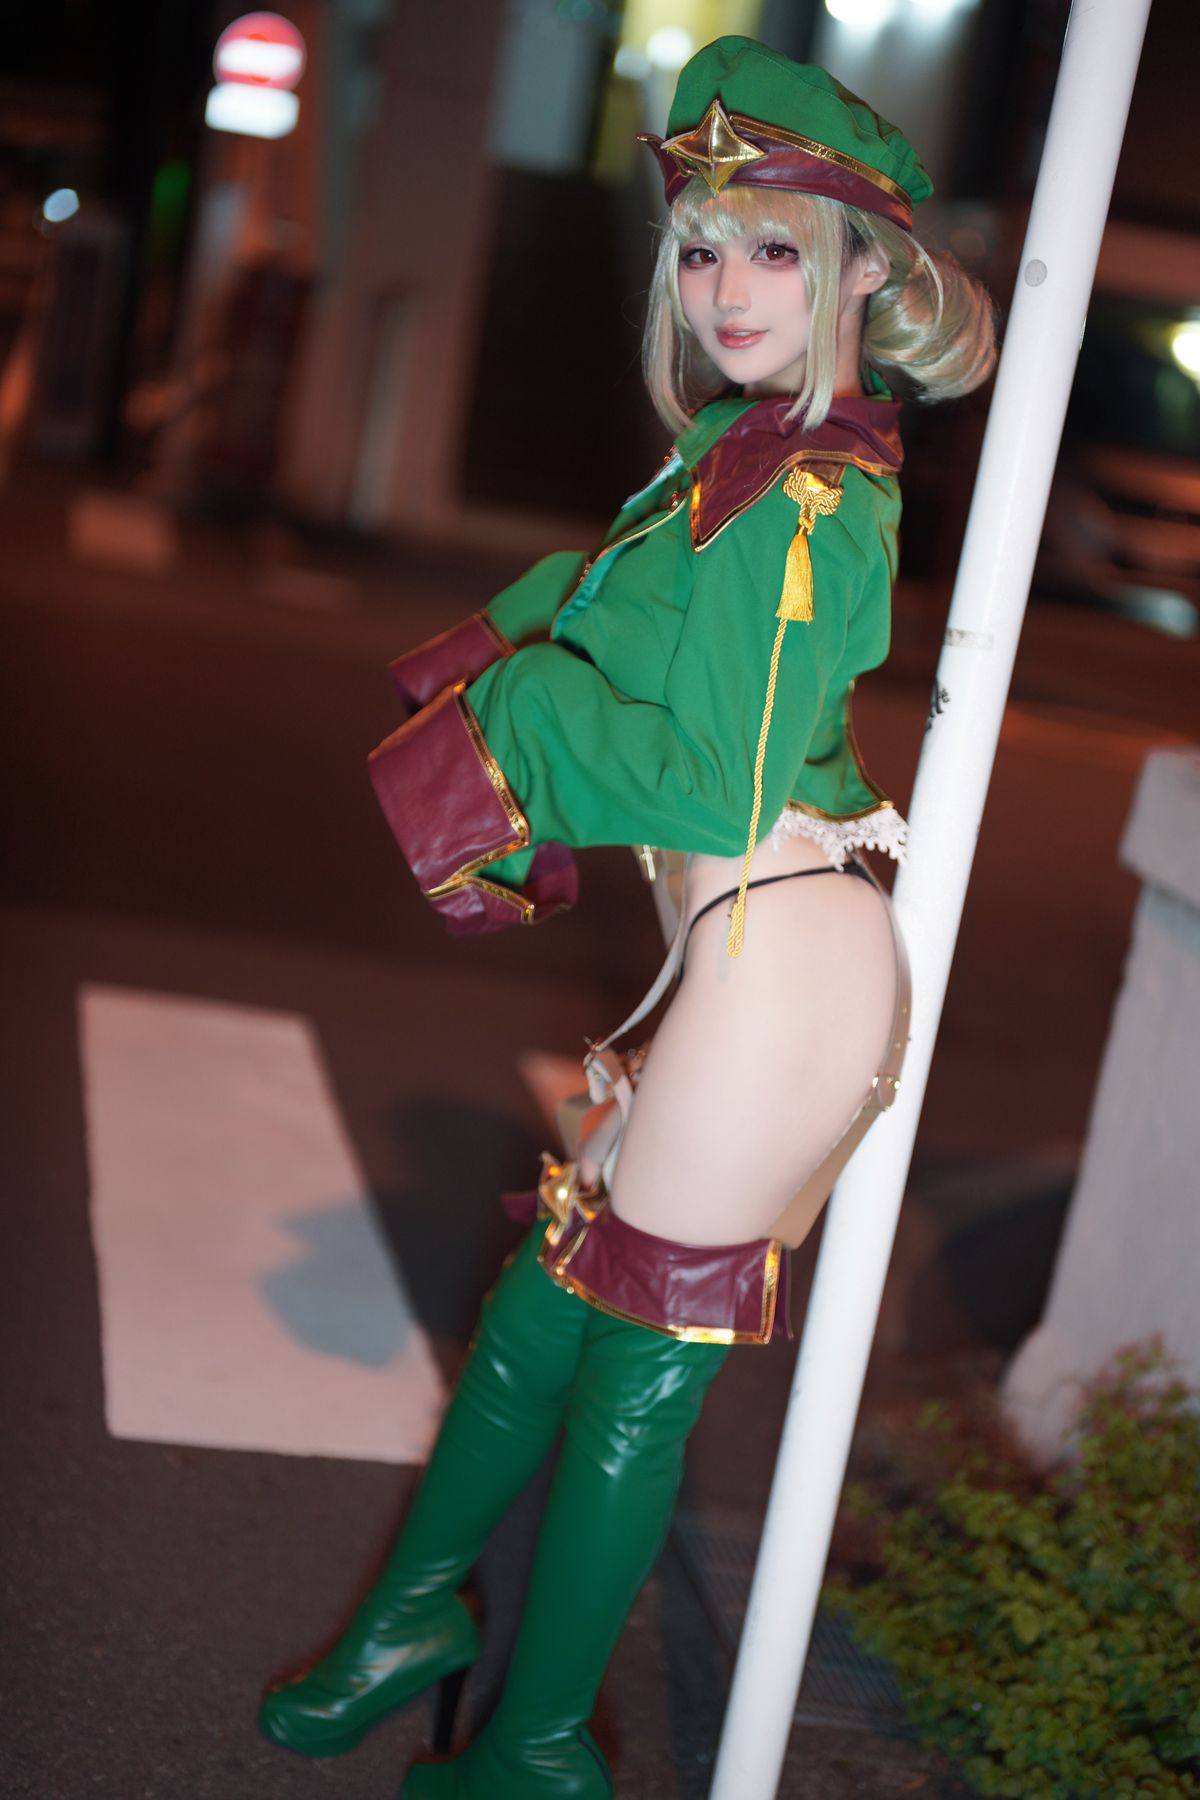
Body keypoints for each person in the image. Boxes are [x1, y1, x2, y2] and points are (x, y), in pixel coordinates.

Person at [257, 35, 995, 1798]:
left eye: (775, 250)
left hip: (779, 962)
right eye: (702, 246)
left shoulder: (811, 497)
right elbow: (604, 632)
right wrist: (501, 674)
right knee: (539, 1318)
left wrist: (508, 720)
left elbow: (710, 784)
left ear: (860, 271)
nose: (727, 288)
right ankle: (408, 1623)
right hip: (731, 959)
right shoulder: (737, 459)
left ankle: (538, 1751)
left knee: (631, 1385)